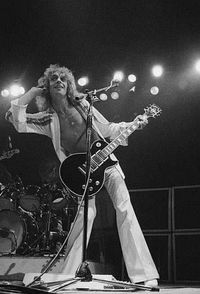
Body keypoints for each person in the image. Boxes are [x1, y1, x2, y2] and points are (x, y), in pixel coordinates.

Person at [5, 64, 159, 288]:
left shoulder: (84, 105)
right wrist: (33, 91)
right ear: (46, 86)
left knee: (125, 210)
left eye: (63, 79)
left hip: (107, 165)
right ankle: (69, 273)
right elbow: (17, 122)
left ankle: (144, 274)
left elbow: (107, 129)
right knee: (85, 217)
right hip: (81, 174)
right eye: (54, 78)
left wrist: (133, 124)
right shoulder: (47, 119)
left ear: (69, 85)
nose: (59, 81)